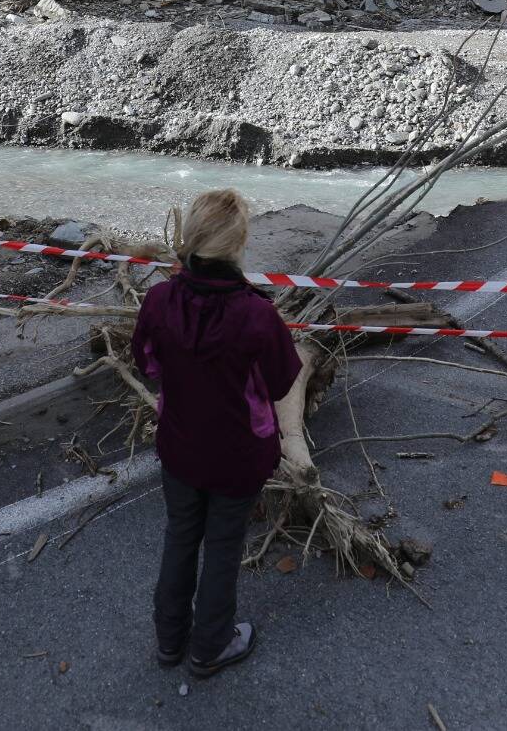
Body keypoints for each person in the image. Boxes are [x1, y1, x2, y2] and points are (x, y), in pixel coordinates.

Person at [130, 188, 302, 679]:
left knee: (180, 535)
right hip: (238, 456)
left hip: (181, 444)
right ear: (237, 244)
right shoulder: (257, 315)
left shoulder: (160, 299)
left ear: (190, 238)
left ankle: (169, 641)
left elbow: (146, 363)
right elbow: (280, 381)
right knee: (223, 546)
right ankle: (210, 647)